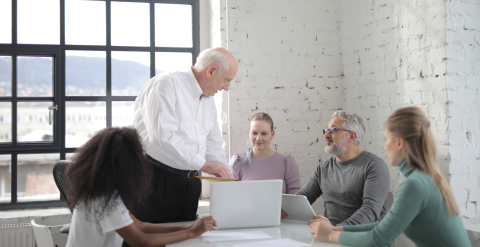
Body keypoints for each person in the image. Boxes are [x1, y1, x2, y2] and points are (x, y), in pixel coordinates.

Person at [309, 107, 471, 246]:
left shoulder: (415, 185)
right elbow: (383, 226)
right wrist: (335, 229)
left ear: (399, 143)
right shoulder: (423, 180)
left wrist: (330, 235)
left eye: (386, 140)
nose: (385, 147)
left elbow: (379, 239)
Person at [132, 47, 238, 224]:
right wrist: (205, 165)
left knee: (186, 239)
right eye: (226, 80)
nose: (227, 87)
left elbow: (213, 145)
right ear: (211, 70)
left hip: (190, 184)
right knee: (146, 241)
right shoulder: (166, 84)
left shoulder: (208, 99)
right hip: (155, 180)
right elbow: (163, 137)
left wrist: (228, 176)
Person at [65, 127, 217, 247]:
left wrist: (188, 228)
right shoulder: (107, 201)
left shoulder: (97, 191)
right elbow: (141, 241)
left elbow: (141, 226)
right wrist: (191, 233)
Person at [290, 111, 390, 225]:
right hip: (331, 237)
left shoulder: (374, 166)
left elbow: (370, 211)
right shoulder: (323, 168)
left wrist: (335, 230)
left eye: (333, 130)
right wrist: (283, 209)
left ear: (351, 136)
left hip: (363, 239)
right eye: (326, 130)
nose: (326, 135)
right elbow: (303, 198)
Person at [230, 112, 301, 194]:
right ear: (249, 133)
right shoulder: (237, 162)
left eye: (264, 133)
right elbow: (230, 198)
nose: (258, 138)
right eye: (254, 133)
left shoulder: (287, 164)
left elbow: (294, 201)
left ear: (272, 134)